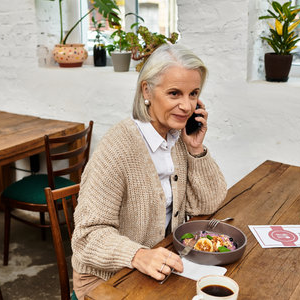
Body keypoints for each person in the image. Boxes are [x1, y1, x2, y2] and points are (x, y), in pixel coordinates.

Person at [71, 43, 227, 299]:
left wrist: (196, 150)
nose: (187, 106)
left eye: (193, 94)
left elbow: (208, 203)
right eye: (174, 93)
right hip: (107, 279)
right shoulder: (117, 148)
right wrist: (138, 255)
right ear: (147, 90)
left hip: (159, 261)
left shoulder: (177, 138)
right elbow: (87, 237)